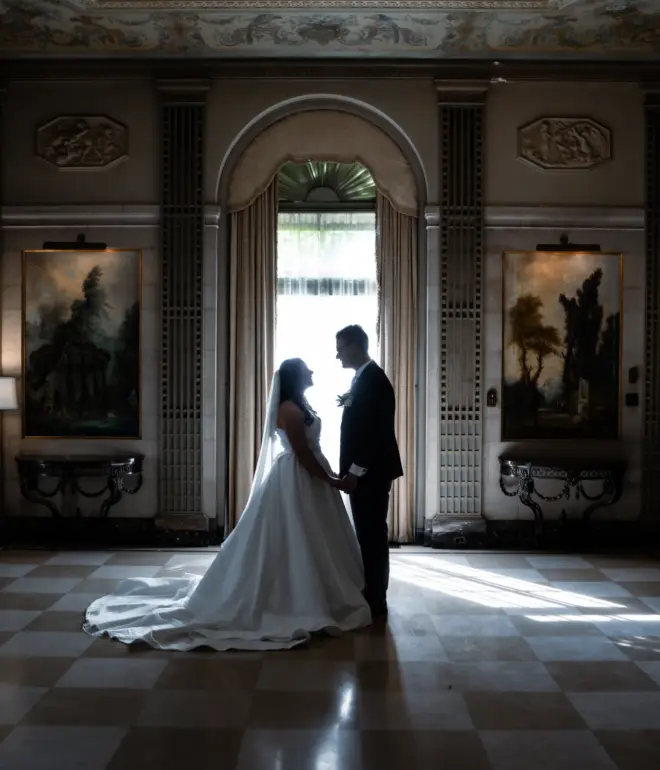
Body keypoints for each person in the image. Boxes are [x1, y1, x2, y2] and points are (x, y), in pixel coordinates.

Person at [83, 358, 371, 651]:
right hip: (298, 478)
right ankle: (299, 595)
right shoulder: (290, 410)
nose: (312, 371)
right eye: (306, 369)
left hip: (308, 477)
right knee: (295, 534)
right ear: (296, 377)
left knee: (311, 536)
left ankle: (318, 589)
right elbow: (303, 456)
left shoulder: (301, 406)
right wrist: (333, 481)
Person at [336, 325, 403, 616]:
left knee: (373, 533)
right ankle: (373, 591)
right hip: (368, 472)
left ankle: (377, 597)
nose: (337, 355)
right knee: (368, 532)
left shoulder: (374, 381)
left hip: (370, 473)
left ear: (354, 347)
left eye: (340, 348)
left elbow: (374, 434)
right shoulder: (363, 378)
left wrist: (354, 471)